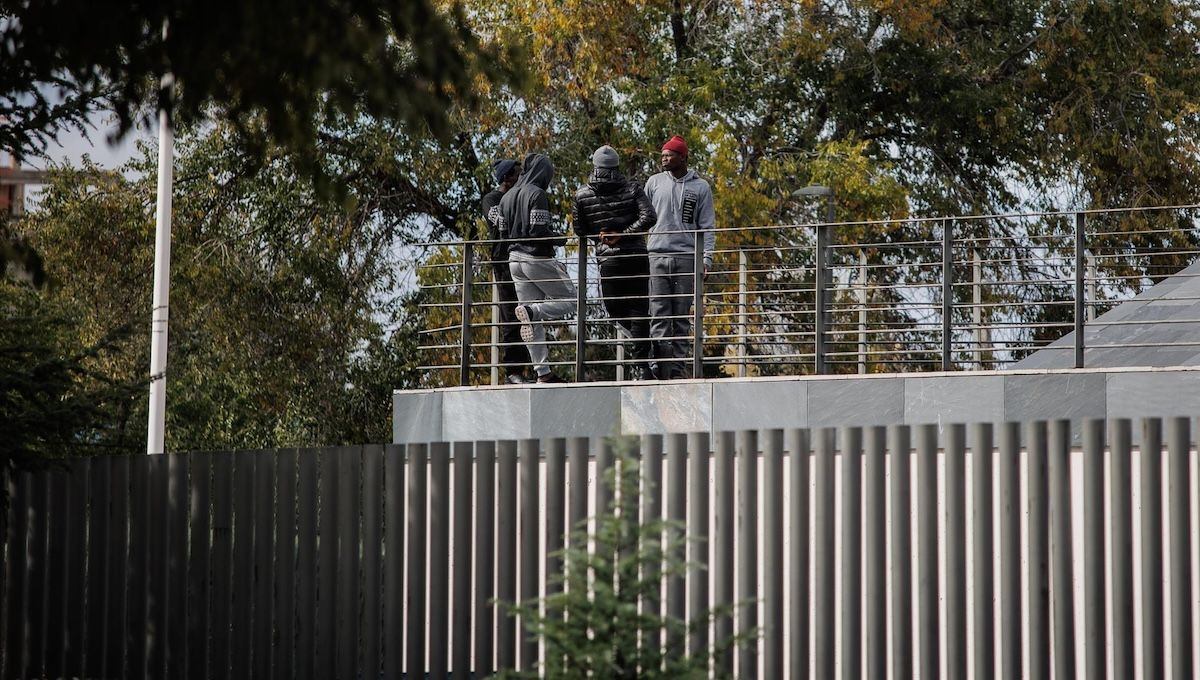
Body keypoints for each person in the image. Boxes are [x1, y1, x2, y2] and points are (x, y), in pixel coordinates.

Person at [572, 144, 657, 380]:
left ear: (595, 166)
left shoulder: (582, 195)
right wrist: (627, 233)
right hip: (637, 256)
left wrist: (603, 236)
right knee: (639, 309)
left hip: (608, 260)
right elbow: (649, 216)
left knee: (615, 310)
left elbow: (579, 229)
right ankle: (644, 362)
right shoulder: (632, 188)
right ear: (616, 165)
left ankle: (644, 358)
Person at [499, 153, 577, 383]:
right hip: (536, 258)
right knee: (574, 300)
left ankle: (543, 372)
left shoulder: (506, 197)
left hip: (513, 260)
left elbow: (502, 233)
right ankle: (535, 310)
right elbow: (538, 232)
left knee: (530, 321)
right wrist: (560, 239)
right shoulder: (537, 194)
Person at [643, 135, 715, 379]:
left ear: (683, 157)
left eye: (669, 154)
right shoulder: (653, 183)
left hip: (687, 257)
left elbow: (707, 226)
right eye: (662, 154)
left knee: (682, 316)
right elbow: (642, 217)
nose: (664, 158)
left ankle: (676, 368)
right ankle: (658, 366)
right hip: (656, 255)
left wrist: (706, 259)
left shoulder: (700, 187)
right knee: (658, 313)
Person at [481, 159, 535, 384]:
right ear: (506, 178)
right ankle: (513, 370)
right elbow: (501, 222)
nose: (521, 177)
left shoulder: (522, 195)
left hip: (525, 260)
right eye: (517, 174)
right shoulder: (491, 199)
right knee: (511, 316)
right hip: (504, 263)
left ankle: (534, 368)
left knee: (531, 314)